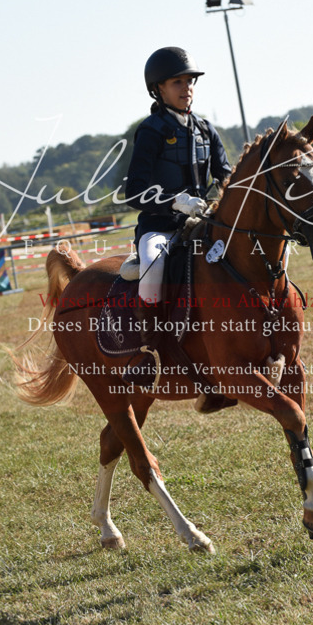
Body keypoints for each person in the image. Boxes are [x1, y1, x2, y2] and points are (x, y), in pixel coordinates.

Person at [123, 46, 231, 386]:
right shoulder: (151, 130)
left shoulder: (205, 129)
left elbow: (226, 176)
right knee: (154, 262)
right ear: (158, 89)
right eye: (177, 82)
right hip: (160, 228)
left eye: (190, 81)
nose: (187, 89)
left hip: (202, 224)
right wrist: (174, 202)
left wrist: (219, 198)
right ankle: (149, 351)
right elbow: (134, 192)